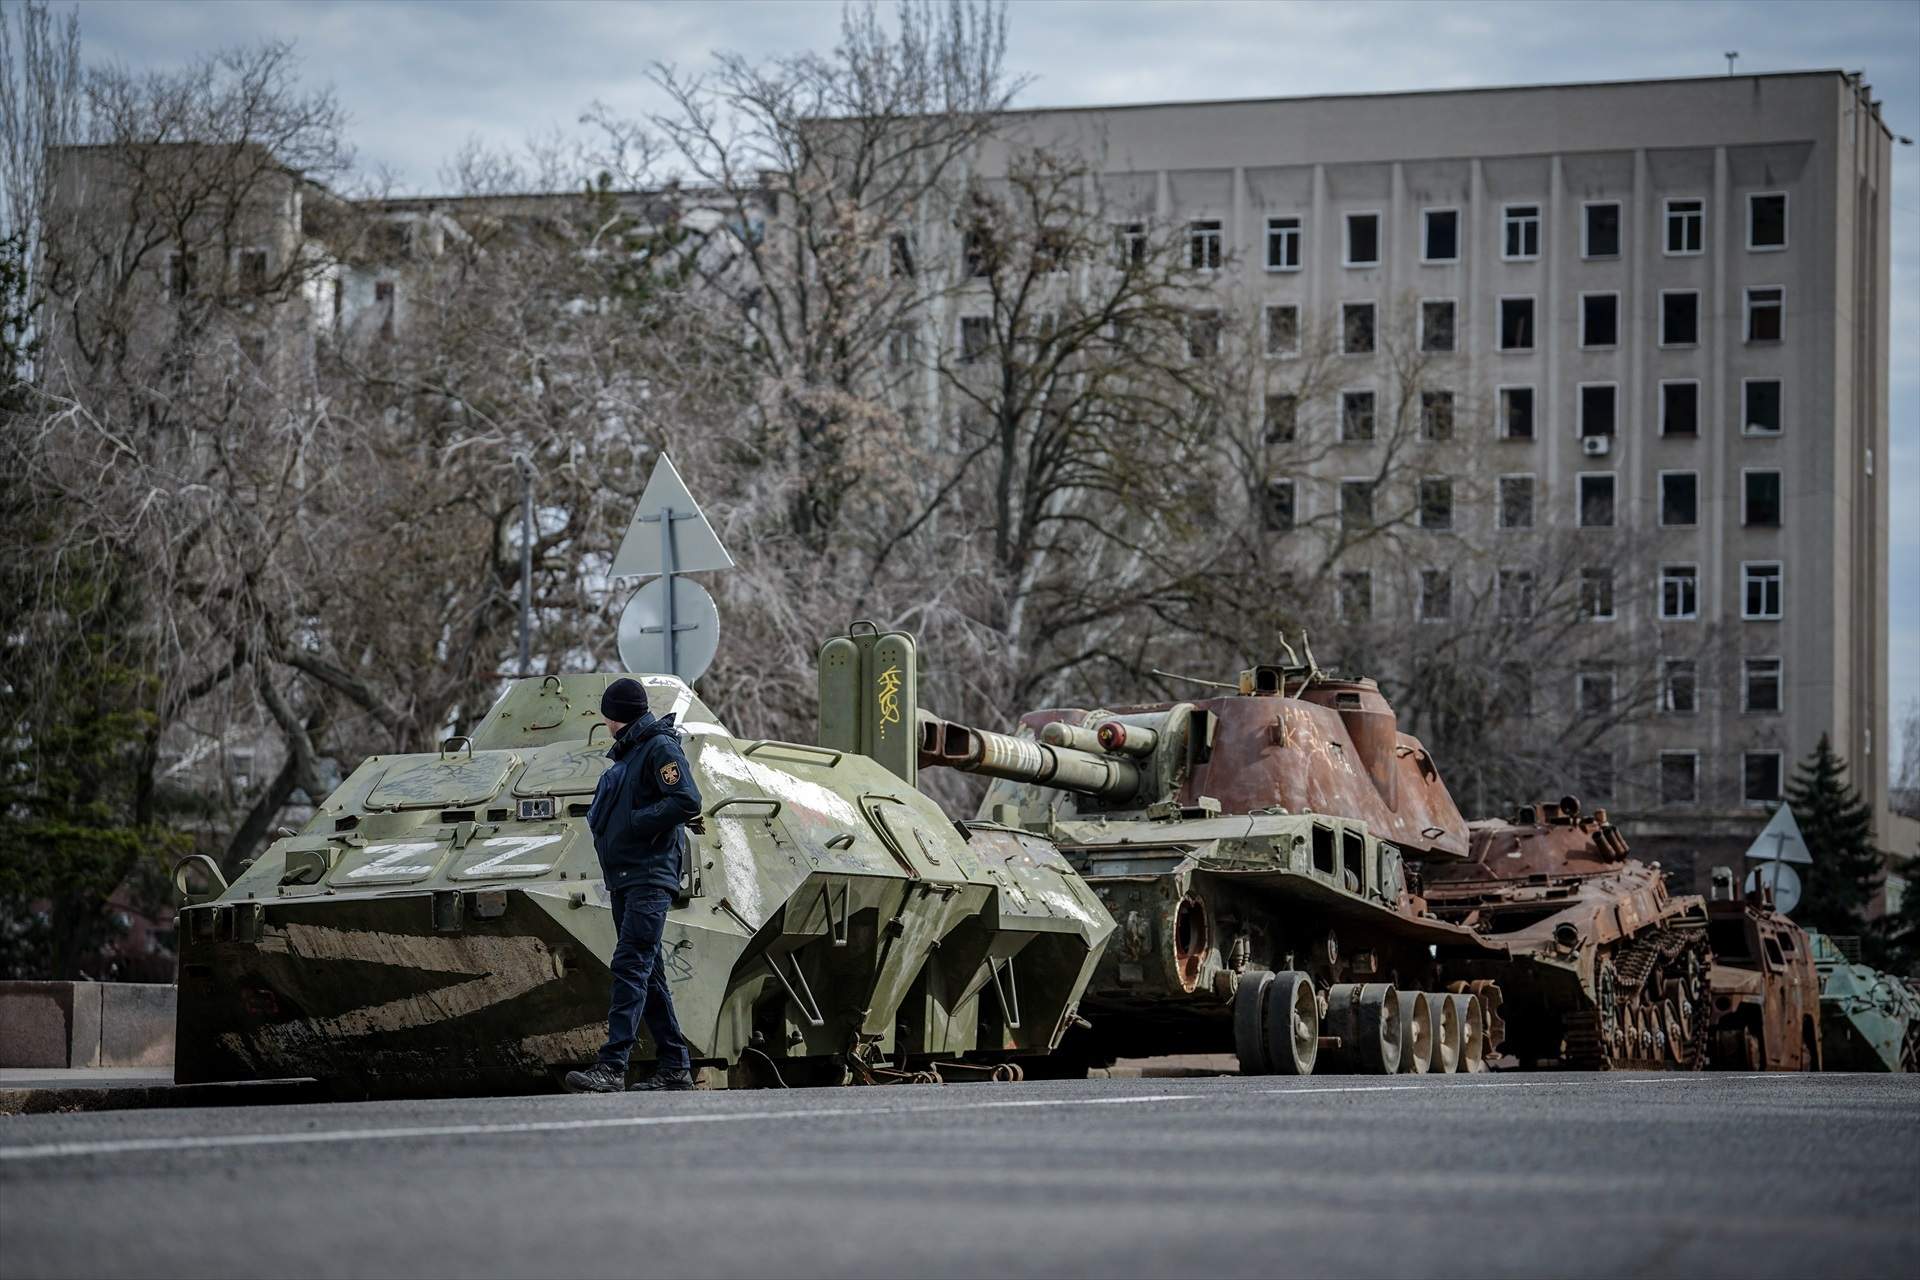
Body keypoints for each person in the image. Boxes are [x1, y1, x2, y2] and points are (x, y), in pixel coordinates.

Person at [564, 677, 703, 1094]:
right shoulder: (631, 753)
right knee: (649, 972)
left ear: (612, 716)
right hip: (626, 877)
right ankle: (675, 1066)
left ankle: (612, 1066)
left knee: (630, 964)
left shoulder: (659, 747)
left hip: (648, 876)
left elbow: (686, 800)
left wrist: (635, 824)